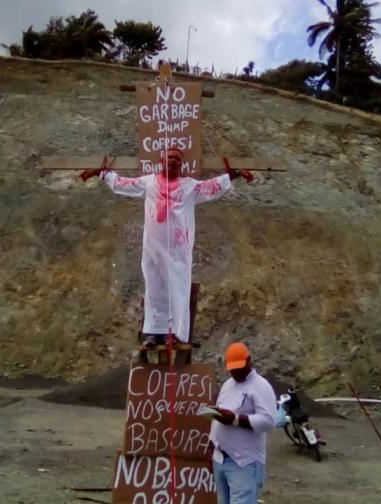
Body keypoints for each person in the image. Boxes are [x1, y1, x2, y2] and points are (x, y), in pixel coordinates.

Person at [80, 148, 249, 346]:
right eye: (170, 157)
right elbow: (124, 184)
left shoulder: (189, 187)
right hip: (153, 249)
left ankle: (176, 334)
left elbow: (212, 187)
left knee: (178, 289)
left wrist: (233, 174)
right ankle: (153, 333)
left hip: (178, 253)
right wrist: (102, 173)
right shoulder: (149, 182)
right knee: (154, 288)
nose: (173, 161)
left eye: (177, 159)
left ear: (182, 164)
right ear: (162, 160)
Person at [208, 342, 277, 504]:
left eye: (239, 368)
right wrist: (211, 444)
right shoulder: (227, 385)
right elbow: (218, 416)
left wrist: (235, 419)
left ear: (249, 361)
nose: (236, 373)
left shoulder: (260, 386)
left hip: (244, 463)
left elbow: (268, 421)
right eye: (232, 370)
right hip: (220, 459)